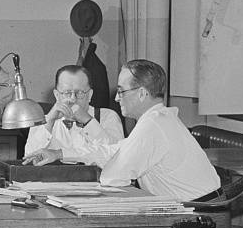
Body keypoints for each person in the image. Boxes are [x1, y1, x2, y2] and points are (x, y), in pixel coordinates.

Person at [23, 59, 221, 201]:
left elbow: (113, 175)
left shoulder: (152, 125)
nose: (117, 98)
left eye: (121, 91)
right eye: (66, 93)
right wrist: (59, 153)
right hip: (198, 207)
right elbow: (116, 151)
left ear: (142, 93)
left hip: (200, 213)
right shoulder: (158, 119)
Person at [22, 64, 123, 160]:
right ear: (57, 95)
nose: (73, 99)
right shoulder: (42, 121)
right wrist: (50, 121)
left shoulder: (108, 117)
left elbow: (117, 156)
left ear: (90, 95)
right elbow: (30, 160)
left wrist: (88, 121)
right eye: (67, 93)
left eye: (79, 93)